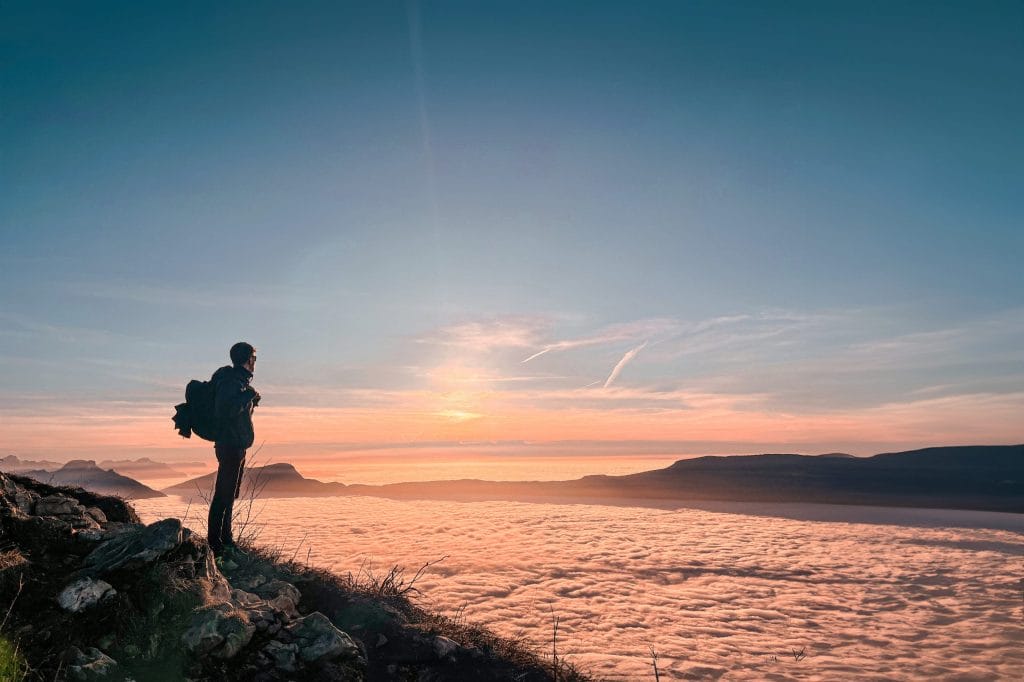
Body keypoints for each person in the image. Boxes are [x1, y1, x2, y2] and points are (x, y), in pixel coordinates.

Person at [207, 341, 260, 555]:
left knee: (230, 494)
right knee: (223, 495)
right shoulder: (232, 382)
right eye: (254, 358)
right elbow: (225, 410)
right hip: (229, 445)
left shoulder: (239, 381)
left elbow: (235, 412)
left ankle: (227, 541)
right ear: (248, 360)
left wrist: (251, 401)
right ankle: (216, 546)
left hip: (235, 445)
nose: (255, 362)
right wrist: (247, 396)